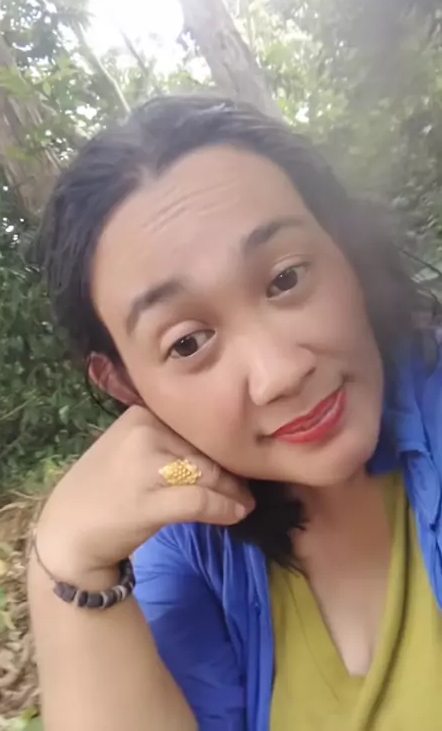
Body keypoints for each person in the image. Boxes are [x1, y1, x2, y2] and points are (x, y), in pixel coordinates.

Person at [29, 93, 442, 731]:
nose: (280, 373)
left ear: (344, 250)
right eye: (188, 342)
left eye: (286, 278)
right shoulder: (188, 548)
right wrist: (65, 565)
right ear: (128, 386)